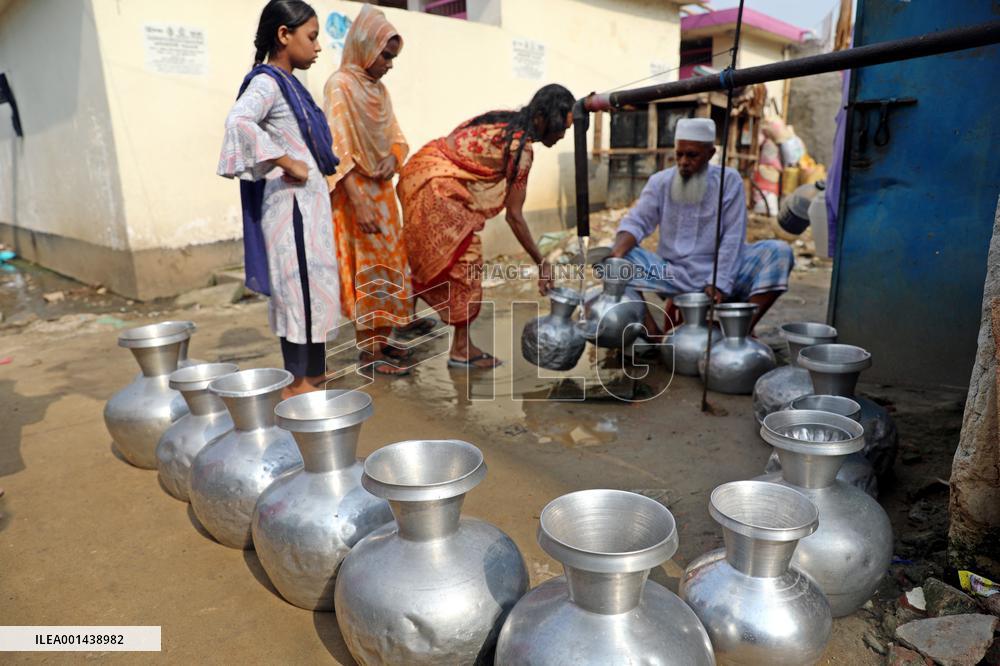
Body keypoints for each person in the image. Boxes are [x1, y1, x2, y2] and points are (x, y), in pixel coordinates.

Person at [397, 84, 575, 368]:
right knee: (466, 261)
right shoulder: (522, 149)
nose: (562, 135)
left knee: (429, 255)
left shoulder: (505, 121)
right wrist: (542, 263)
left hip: (419, 171)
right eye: (560, 127)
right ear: (542, 117)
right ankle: (461, 349)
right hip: (439, 188)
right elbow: (514, 216)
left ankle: (404, 319)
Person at [217, 0, 341, 399]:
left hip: (310, 207)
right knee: (299, 291)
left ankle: (315, 379)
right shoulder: (267, 82)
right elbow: (238, 121)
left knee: (316, 290)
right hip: (292, 209)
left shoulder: (292, 85)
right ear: (283, 35)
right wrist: (287, 160)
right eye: (312, 36)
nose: (318, 47)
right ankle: (298, 386)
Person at [609, 117, 793, 334]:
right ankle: (654, 335)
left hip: (721, 269)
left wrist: (719, 280)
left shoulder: (729, 181)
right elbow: (636, 222)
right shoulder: (660, 182)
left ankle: (739, 332)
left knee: (779, 252)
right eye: (679, 154)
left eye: (692, 155)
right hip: (674, 273)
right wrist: (616, 255)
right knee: (620, 261)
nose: (684, 162)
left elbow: (733, 237)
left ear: (710, 154)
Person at [322, 4, 416, 377]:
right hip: (355, 194)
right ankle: (368, 352)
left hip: (382, 191)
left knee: (391, 266)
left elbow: (395, 136)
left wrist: (394, 158)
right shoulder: (340, 86)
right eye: (385, 56)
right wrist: (359, 201)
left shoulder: (381, 91)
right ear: (365, 46)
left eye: (392, 57)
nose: (389, 65)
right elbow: (336, 147)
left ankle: (383, 338)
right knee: (367, 270)